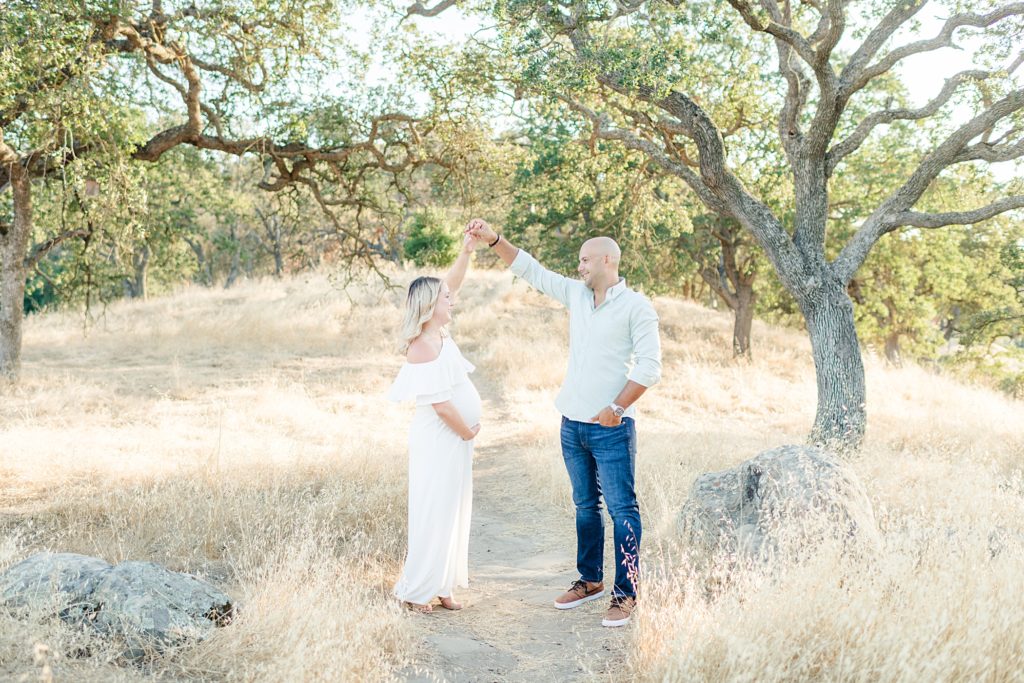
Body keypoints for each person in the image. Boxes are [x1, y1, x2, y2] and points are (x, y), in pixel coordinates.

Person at [466, 219, 661, 628]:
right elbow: (531, 270)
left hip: (611, 429)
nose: (580, 267)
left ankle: (626, 594)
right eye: (578, 261)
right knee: (585, 505)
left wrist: (617, 408)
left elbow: (650, 367)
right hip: (571, 424)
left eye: (586, 260)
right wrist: (495, 240)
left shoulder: (637, 307)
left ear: (609, 259)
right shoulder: (576, 294)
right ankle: (589, 580)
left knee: (622, 509)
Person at [387, 235, 482, 613]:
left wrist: (466, 252)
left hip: (455, 438)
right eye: (444, 298)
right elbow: (441, 405)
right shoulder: (421, 345)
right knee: (432, 508)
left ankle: (443, 584)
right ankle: (416, 590)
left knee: (454, 507)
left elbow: (453, 283)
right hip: (441, 437)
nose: (452, 299)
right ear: (430, 306)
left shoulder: (441, 332)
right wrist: (467, 430)